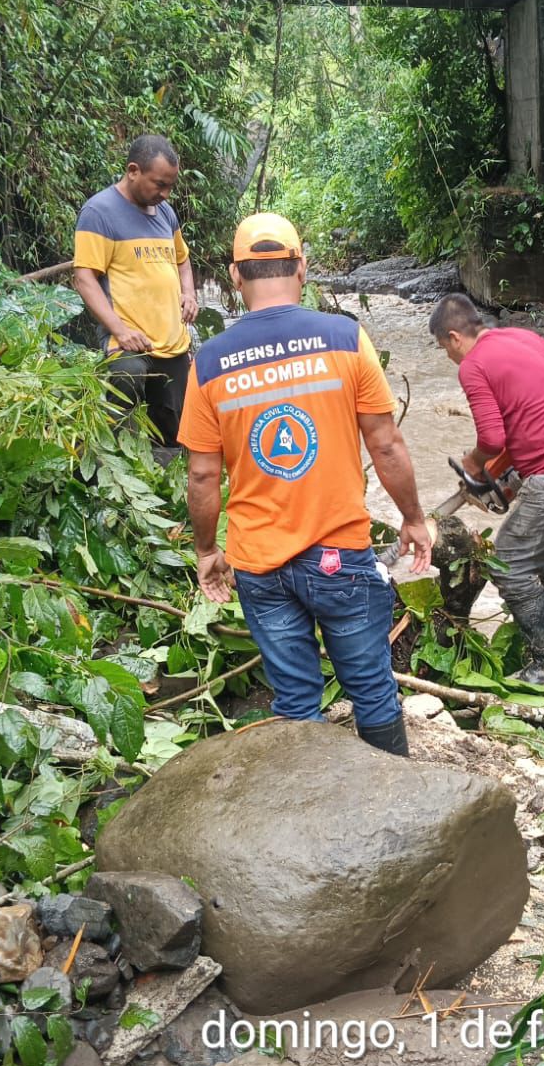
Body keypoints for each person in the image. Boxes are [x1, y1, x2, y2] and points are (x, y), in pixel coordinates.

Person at [179, 213, 433, 756]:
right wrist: (413, 518)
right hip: (339, 554)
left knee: (295, 702)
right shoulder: (346, 337)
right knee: (370, 689)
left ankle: (309, 825)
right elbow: (385, 445)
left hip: (260, 564)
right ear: (301, 266)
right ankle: (398, 813)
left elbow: (202, 474)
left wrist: (206, 550)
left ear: (234, 276)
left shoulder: (210, 362)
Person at [430, 292, 544, 684]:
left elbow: (492, 439)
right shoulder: (521, 337)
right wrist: (541, 418)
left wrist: (473, 465)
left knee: (509, 560)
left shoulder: (473, 365)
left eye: (445, 348)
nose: (449, 357)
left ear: (454, 337)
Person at [72, 134, 198, 450]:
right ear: (133, 171)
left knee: (175, 429)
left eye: (170, 185)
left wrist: (189, 293)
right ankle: (115, 476)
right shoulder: (99, 212)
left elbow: (182, 260)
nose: (165, 193)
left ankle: (166, 485)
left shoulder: (166, 213)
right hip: (128, 340)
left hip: (172, 341)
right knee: (125, 388)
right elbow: (84, 279)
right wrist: (120, 330)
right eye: (159, 184)